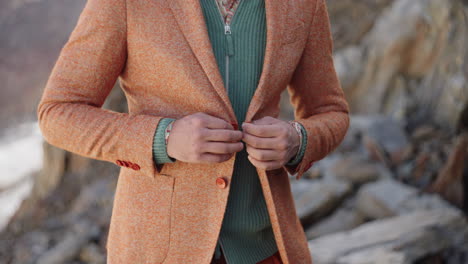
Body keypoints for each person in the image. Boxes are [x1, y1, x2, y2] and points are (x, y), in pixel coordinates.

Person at [36, 0, 350, 263]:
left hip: (267, 248)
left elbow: (330, 112)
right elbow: (58, 112)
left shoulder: (304, 4)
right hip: (158, 249)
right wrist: (164, 138)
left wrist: (298, 139)